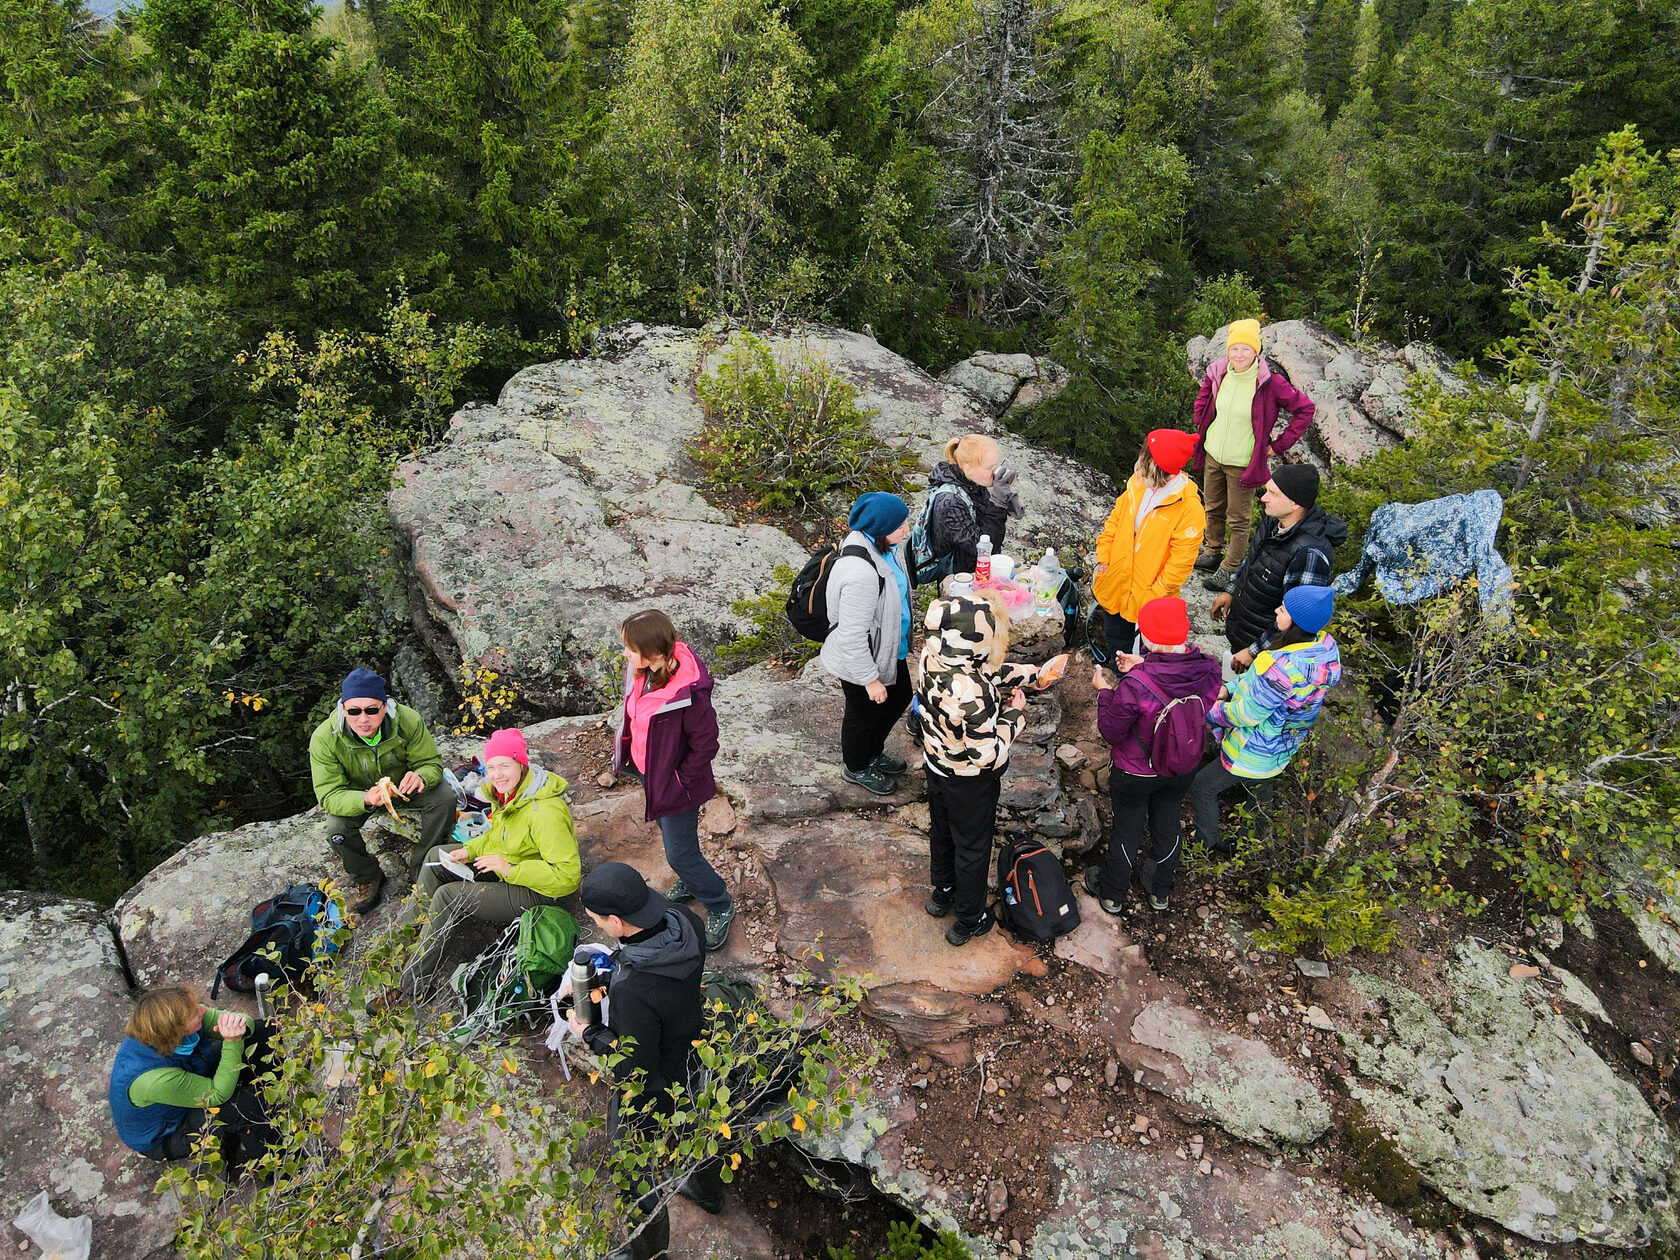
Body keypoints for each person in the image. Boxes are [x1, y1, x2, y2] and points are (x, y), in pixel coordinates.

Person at [565, 862, 722, 1260]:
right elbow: (658, 974)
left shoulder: (634, 991)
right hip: (693, 1047)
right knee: (695, 1123)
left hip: (656, 1083)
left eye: (597, 920)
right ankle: (706, 1191)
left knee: (633, 1169)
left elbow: (631, 1068)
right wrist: (613, 975)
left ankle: (648, 1254)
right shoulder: (684, 918)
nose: (597, 925)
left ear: (616, 921)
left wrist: (590, 1034)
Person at [914, 593, 1067, 946]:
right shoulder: (975, 693)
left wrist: (1031, 675)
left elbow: (982, 670)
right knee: (972, 846)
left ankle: (942, 894)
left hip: (936, 764)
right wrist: (1014, 716)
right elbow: (988, 755)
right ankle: (969, 918)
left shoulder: (932, 655)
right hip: (970, 780)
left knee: (942, 831)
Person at [400, 727, 580, 997]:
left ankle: (411, 984)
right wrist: (470, 851)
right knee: (437, 857)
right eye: (491, 767)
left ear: (521, 764)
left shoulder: (544, 811)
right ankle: (400, 941)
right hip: (512, 871)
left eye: (505, 765)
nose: (497, 775)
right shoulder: (509, 796)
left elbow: (568, 877)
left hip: (543, 895)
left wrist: (511, 869)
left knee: (448, 896)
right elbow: (499, 839)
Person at [1083, 598, 1222, 916]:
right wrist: (1143, 665)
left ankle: (1112, 893)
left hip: (1136, 771)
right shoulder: (1209, 668)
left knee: (1127, 829)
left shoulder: (1135, 685)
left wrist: (1105, 691)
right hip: (1182, 764)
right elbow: (1201, 700)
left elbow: (1112, 731)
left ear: (1145, 637)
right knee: (1168, 822)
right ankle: (1160, 890)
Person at [613, 609, 733, 951]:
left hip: (677, 785)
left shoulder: (688, 693)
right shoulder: (643, 671)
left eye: (629, 648)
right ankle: (692, 884)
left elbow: (706, 742)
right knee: (671, 837)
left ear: (651, 652)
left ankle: (719, 902)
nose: (625, 654)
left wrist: (680, 781)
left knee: (680, 855)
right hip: (651, 774)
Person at [1193, 585, 1342, 855]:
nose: (1277, 610)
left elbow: (1247, 714)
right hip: (1280, 746)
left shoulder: (1283, 668)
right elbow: (1253, 685)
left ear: (1297, 621)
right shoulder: (1319, 653)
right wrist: (1229, 689)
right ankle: (1247, 847)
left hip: (1252, 748)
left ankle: (1203, 847)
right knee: (1260, 792)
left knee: (1203, 787)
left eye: (1283, 608)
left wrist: (1208, 710)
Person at [310, 667, 454, 913]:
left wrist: (421, 776)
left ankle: (423, 863)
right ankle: (367, 875)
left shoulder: (408, 721)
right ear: (343, 709)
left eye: (371, 710)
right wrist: (365, 798)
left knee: (445, 798)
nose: (362, 719)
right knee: (336, 829)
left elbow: (430, 763)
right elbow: (329, 795)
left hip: (403, 788)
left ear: (384, 707)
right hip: (360, 796)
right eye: (354, 711)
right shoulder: (325, 738)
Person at [1190, 319, 1316, 590]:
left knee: (1238, 518)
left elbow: (1304, 409)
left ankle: (1230, 567)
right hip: (1214, 453)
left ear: (1256, 352)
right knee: (1212, 507)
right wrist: (1200, 419)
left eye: (1246, 349)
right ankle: (1212, 552)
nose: (1239, 355)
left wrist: (1278, 445)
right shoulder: (1219, 372)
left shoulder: (1269, 383)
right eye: (1234, 349)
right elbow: (1203, 398)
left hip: (1242, 462)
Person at [108, 985, 277, 1170]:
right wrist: (232, 1041)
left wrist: (238, 1026)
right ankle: (277, 1169)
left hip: (187, 1075)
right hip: (168, 1134)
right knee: (247, 1103)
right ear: (177, 1031)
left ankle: (275, 1096)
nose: (202, 1011)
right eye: (194, 1013)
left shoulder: (174, 1023)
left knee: (263, 1030)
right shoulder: (153, 1080)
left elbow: (246, 1022)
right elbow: (217, 1094)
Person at [1209, 463, 1347, 671]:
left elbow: (1294, 618)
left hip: (1268, 658)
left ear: (1295, 504)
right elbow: (1253, 560)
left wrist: (1253, 651)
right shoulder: (1274, 521)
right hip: (1245, 632)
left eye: (1273, 493)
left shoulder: (1309, 555)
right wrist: (1231, 590)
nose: (1264, 498)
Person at [821, 492, 916, 795]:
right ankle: (857, 765)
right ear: (880, 527)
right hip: (862, 661)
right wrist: (870, 680)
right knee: (863, 713)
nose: (906, 529)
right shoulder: (860, 573)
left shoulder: (884, 546)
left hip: (887, 647)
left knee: (899, 698)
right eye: (900, 524)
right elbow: (851, 636)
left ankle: (872, 753)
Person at [1093, 428, 1205, 660]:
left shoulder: (1189, 507)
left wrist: (1154, 595)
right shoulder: (1137, 483)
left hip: (1150, 596)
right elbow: (1116, 519)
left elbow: (1181, 563)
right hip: (1117, 580)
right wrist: (1104, 554)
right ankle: (1116, 680)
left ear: (1155, 464)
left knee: (1144, 654)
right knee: (1115, 638)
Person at [919, 433, 1022, 580]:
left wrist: (1007, 499)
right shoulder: (950, 501)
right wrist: (998, 504)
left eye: (997, 466)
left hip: (975, 565)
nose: (995, 472)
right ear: (967, 468)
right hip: (960, 576)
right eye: (989, 468)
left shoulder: (973, 483)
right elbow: (983, 547)